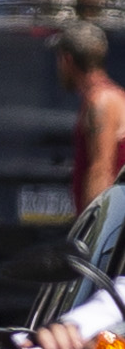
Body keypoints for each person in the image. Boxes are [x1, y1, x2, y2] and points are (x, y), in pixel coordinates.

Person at [62, 23, 125, 213]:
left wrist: (90, 231)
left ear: (67, 60)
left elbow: (101, 170)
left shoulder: (101, 101)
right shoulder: (106, 96)